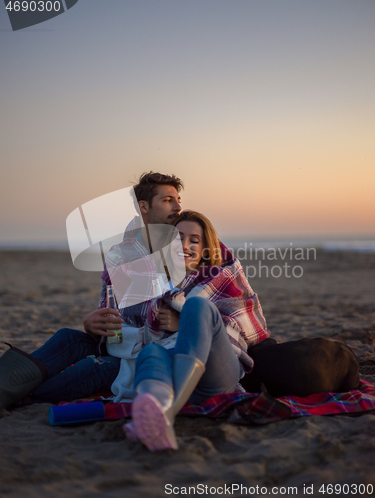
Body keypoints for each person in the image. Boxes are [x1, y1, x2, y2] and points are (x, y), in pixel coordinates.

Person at [0, 172, 185, 409]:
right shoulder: (121, 253)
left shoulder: (189, 243)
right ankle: (5, 389)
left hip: (154, 351)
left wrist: (181, 319)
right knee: (67, 338)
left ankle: (22, 398)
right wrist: (92, 323)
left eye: (178, 199)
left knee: (91, 369)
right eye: (168, 200)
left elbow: (209, 303)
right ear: (144, 206)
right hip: (120, 341)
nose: (178, 206)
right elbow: (108, 307)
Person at [123, 210, 269, 451]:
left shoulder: (221, 276)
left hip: (217, 374)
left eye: (194, 240)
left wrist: (184, 322)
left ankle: (167, 415)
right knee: (150, 353)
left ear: (206, 248)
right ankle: (154, 410)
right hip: (174, 370)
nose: (186, 245)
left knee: (197, 305)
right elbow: (131, 321)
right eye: (178, 238)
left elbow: (245, 325)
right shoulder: (154, 283)